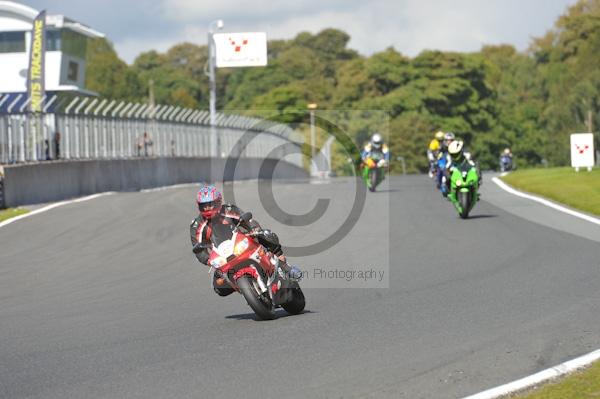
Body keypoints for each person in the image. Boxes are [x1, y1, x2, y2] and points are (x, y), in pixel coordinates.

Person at [190, 184, 302, 297]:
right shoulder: (197, 225)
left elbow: (248, 220)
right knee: (219, 286)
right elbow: (198, 248)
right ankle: (247, 288)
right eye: (203, 206)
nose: (207, 208)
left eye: (210, 204)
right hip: (222, 255)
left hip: (241, 241)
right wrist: (208, 260)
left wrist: (254, 230)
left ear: (218, 201)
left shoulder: (228, 209)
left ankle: (285, 265)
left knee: (266, 235)